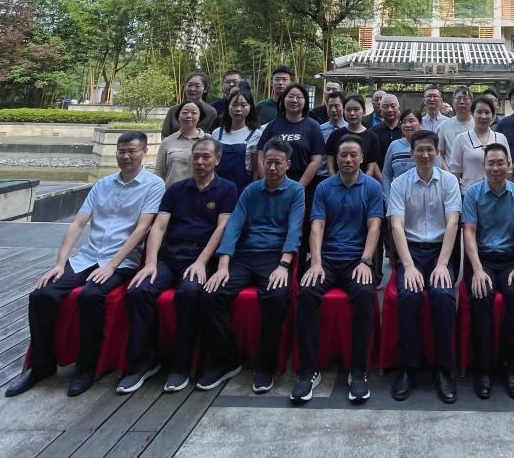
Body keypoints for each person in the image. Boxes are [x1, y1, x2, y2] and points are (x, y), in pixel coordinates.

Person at [6, 132, 164, 397]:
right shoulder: (102, 184)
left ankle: (87, 368)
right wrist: (60, 263)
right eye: (121, 151)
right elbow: (78, 223)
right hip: (87, 257)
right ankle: (41, 366)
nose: (126, 156)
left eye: (132, 151)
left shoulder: (154, 185)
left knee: (91, 296)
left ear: (144, 152)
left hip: (121, 261)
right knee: (42, 295)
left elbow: (142, 229)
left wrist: (112, 265)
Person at [118, 137, 238, 394]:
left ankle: (181, 365)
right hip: (168, 256)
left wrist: (202, 262)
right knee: (139, 291)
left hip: (199, 257)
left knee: (189, 293)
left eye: (206, 157)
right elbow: (159, 227)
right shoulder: (175, 190)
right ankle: (142, 362)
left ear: (217, 160)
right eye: (196, 157)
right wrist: (150, 262)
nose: (200, 162)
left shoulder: (227, 189)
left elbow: (222, 228)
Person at [200, 139, 304, 393]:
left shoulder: (296, 191)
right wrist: (223, 264)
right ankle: (227, 359)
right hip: (245, 257)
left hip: (275, 258)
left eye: (277, 163)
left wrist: (284, 265)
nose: (272, 168)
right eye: (268, 162)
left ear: (288, 164)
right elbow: (234, 226)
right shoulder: (250, 190)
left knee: (276, 297)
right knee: (211, 294)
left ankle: (265, 365)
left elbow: (295, 230)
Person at [291, 135, 383, 404]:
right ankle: (309, 370)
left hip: (357, 259)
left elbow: (375, 227)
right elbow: (317, 226)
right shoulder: (324, 187)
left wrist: (366, 261)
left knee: (364, 295)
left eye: (353, 155)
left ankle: (358, 371)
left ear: (361, 158)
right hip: (328, 259)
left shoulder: (372, 187)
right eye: (343, 155)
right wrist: (315, 262)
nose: (348, 159)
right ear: (336, 158)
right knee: (307, 293)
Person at [387, 129, 461, 403]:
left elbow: (453, 223)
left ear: (437, 152)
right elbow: (396, 225)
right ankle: (409, 368)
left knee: (443, 296)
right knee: (409, 296)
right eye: (420, 150)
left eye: (430, 149)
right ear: (411, 153)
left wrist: (442, 264)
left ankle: (443, 369)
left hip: (441, 251)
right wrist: (408, 266)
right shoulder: (400, 183)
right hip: (411, 251)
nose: (426, 154)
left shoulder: (449, 181)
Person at [462, 142, 514, 400]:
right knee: (481, 296)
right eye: (490, 163)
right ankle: (482, 370)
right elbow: (469, 233)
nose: (495, 168)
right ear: (483, 166)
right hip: (481, 260)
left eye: (500, 163)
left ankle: (511, 368)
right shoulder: (472, 193)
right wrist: (477, 269)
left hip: (511, 260)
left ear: (508, 165)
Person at [256, 84, 325, 189]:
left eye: (299, 97)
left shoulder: (313, 126)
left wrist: (298, 187)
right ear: (283, 100)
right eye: (291, 96)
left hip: (302, 184)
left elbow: (316, 160)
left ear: (305, 101)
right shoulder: (273, 125)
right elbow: (260, 157)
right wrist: (267, 182)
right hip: (272, 182)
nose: (294, 100)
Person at [448, 95, 509, 192]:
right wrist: (457, 194)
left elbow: (508, 170)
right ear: (472, 113)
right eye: (479, 112)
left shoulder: (501, 138)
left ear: (493, 115)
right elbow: (455, 171)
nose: (483, 116)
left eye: (487, 112)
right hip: (468, 193)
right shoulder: (461, 139)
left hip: (497, 193)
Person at [157, 101, 213, 186]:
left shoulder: (209, 140)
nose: (189, 116)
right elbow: (158, 172)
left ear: (199, 117)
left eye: (194, 113)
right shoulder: (167, 141)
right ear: (178, 116)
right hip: (173, 191)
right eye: (185, 112)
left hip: (201, 191)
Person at [327, 93, 380, 179]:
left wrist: (363, 183)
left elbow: (371, 166)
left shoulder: (372, 137)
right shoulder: (335, 135)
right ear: (344, 111)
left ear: (363, 111)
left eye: (356, 109)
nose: (352, 113)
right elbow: (330, 163)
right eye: (348, 110)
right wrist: (334, 182)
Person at [380, 109, 429, 196]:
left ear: (421, 123)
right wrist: (388, 197)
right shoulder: (394, 145)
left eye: (411, 121)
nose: (407, 125)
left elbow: (436, 171)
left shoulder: (428, 145)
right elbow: (386, 174)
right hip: (398, 195)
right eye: (404, 122)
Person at [159, 72, 216, 138]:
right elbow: (165, 135)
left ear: (205, 89)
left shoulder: (211, 112)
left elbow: (212, 137)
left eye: (197, 86)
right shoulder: (173, 110)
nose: (192, 89)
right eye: (189, 85)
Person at [314, 91, 348, 179]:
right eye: (330, 106)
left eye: (336, 106)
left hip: (345, 177)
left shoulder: (350, 129)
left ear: (343, 106)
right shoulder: (319, 130)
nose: (333, 110)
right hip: (321, 176)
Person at [437, 86, 475, 161]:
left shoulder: (478, 124)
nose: (461, 102)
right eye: (458, 98)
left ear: (472, 102)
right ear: (453, 102)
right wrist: (447, 169)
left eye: (465, 98)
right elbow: (439, 154)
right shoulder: (444, 126)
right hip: (449, 167)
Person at [369, 92, 403, 166]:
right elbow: (371, 159)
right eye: (386, 106)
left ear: (399, 109)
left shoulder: (405, 130)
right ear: (381, 110)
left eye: (393, 106)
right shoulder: (372, 132)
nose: (390, 110)